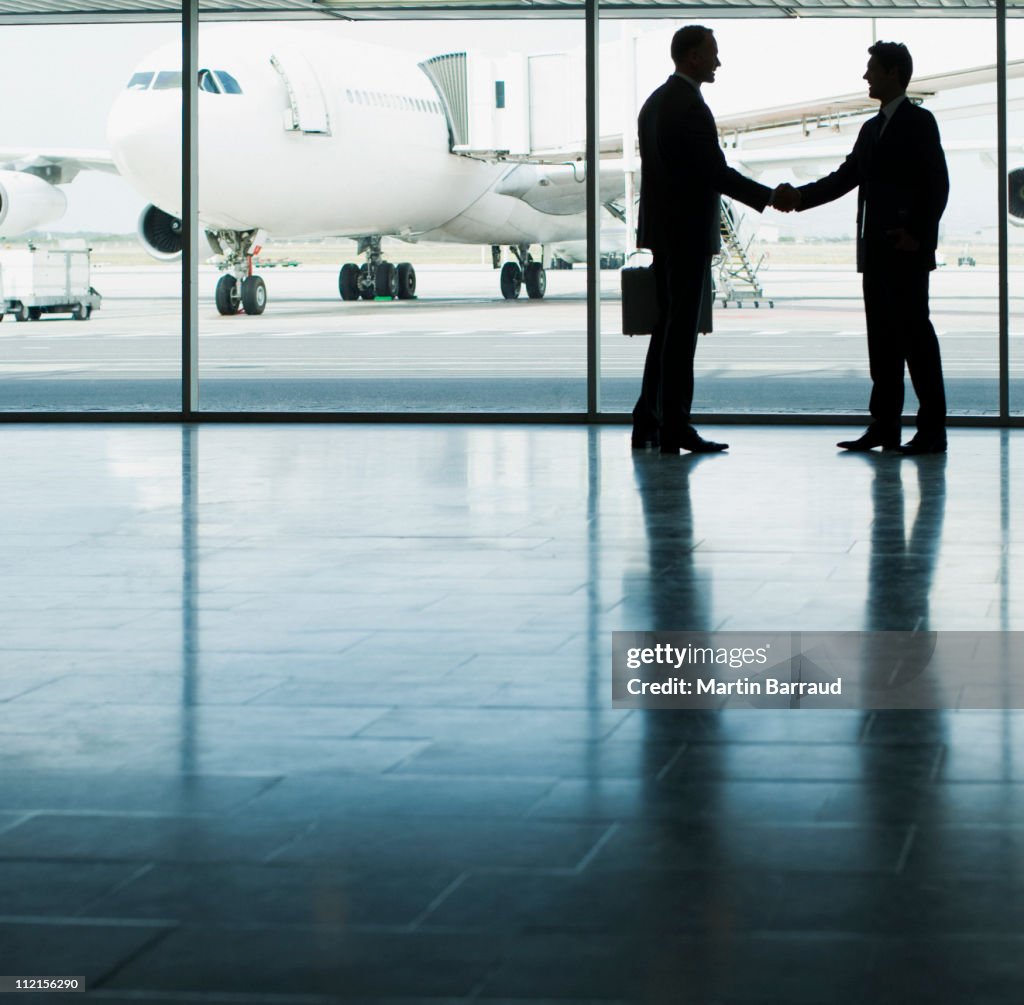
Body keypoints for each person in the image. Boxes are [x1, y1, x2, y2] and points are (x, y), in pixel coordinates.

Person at [774, 42, 950, 455]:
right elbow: (845, 177)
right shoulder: (872, 128)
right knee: (883, 344)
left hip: (905, 251)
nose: (866, 76)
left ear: (893, 73)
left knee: (916, 343)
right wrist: (798, 197)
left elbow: (937, 185)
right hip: (876, 253)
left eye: (872, 69)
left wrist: (919, 237)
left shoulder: (919, 121)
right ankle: (884, 427)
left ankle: (932, 431)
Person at [632, 25, 780, 455]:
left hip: (663, 234)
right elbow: (713, 172)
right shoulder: (690, 106)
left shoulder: (654, 103)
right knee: (681, 334)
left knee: (666, 329)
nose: (718, 61)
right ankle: (675, 426)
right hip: (687, 234)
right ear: (693, 56)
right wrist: (766, 195)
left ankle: (648, 420)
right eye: (713, 53)